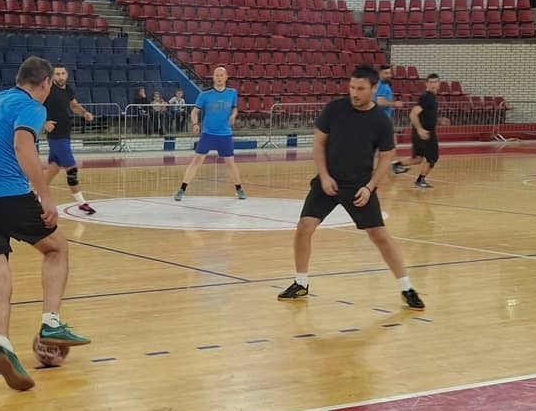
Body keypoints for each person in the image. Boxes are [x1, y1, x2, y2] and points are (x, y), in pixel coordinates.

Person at [0, 57, 89, 391]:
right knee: (57, 249)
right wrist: (45, 195)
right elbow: (21, 144)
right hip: (7, 196)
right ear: (45, 83)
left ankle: (3, 343)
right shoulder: (32, 106)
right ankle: (51, 322)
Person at [278, 65, 425, 310]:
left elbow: (387, 156)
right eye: (352, 87)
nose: (355, 93)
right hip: (328, 183)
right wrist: (324, 176)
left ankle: (407, 288)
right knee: (304, 227)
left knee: (380, 236)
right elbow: (318, 143)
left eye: (361, 88)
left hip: (359, 187)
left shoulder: (380, 121)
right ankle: (300, 283)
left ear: (374, 88)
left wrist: (370, 187)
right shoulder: (334, 109)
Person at [174, 65, 246, 201]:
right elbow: (194, 112)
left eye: (221, 75)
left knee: (230, 162)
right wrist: (195, 123)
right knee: (196, 161)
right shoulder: (204, 95)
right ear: (213, 77)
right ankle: (182, 189)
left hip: (225, 134)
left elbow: (234, 108)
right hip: (208, 134)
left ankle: (239, 188)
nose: (219, 78)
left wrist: (233, 115)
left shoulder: (232, 93)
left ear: (226, 77)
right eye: (217, 75)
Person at [42, 63, 96, 215]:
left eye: (62, 73)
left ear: (67, 75)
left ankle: (35, 196)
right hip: (57, 135)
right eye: (57, 74)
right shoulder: (47, 89)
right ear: (52, 76)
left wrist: (84, 113)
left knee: (53, 169)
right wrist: (43, 122)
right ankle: (81, 203)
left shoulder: (68, 89)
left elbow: (74, 106)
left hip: (65, 133)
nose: (60, 76)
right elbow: (33, 105)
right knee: (72, 169)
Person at [391, 73, 440, 189]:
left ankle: (397, 165)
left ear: (439, 83)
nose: (433, 84)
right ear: (426, 84)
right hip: (425, 133)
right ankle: (420, 181)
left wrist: (439, 120)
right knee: (432, 158)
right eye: (431, 82)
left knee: (418, 158)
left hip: (419, 132)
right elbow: (413, 114)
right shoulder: (426, 97)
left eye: (435, 82)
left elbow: (426, 115)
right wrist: (420, 130)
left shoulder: (432, 98)